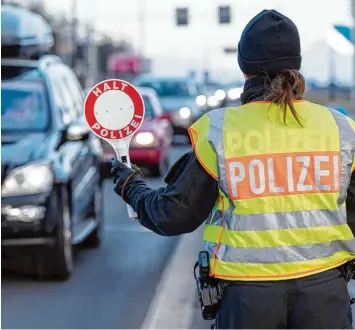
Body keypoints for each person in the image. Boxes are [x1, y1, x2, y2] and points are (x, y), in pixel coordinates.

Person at [111, 9, 355, 329]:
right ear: (296, 65)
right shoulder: (340, 129)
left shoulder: (220, 131)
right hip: (325, 295)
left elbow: (173, 214)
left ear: (245, 69)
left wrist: (131, 186)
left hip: (249, 300)